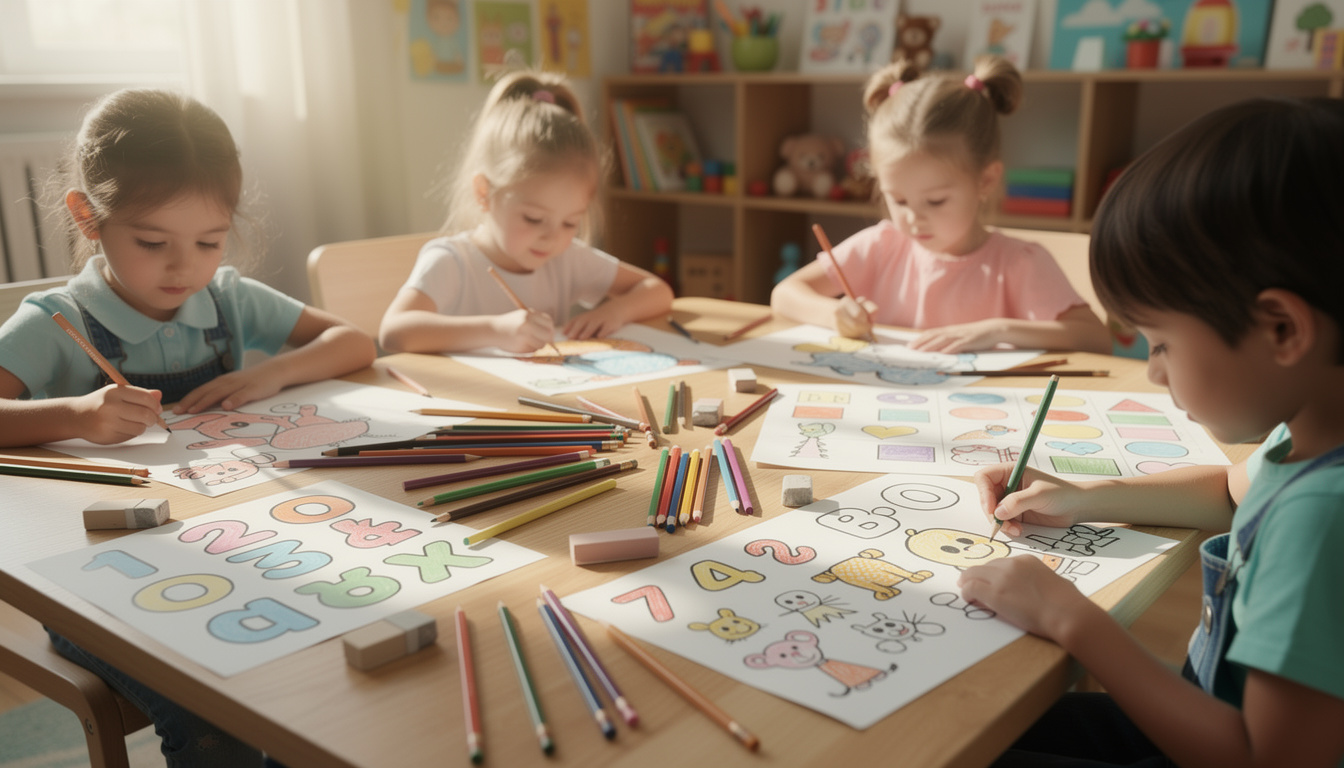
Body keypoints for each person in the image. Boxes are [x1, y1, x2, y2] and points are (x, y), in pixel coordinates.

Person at [958, 97, 1344, 767]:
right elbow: (1229, 490)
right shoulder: (1307, 439)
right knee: (970, 728)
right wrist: (1083, 496)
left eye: (1161, 344)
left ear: (1281, 329)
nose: (1155, 375)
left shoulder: (1323, 518)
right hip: (1205, 718)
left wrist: (1071, 619)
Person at [0, 88, 376, 765]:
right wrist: (76, 415)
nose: (185, 267)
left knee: (326, 680)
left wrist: (270, 374)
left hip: (233, 550)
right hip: (95, 583)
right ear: (88, 217)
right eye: (152, 242)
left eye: (208, 240)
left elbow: (356, 342)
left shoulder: (226, 298)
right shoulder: (53, 322)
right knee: (218, 721)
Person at [771, 57, 1109, 355]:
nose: (913, 218)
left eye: (935, 201)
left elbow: (1095, 339)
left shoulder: (1019, 264)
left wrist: (998, 329)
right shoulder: (882, 245)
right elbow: (785, 294)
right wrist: (835, 315)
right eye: (898, 199)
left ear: (986, 181)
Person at [379, 70, 673, 355]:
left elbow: (657, 290)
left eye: (571, 222)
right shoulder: (452, 261)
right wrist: (495, 331)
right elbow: (394, 331)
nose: (552, 238)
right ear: (485, 193)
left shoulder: (566, 259)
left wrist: (616, 311)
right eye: (533, 219)